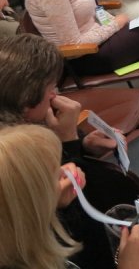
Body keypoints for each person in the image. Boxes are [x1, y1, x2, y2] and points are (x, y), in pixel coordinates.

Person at [0, 33, 121, 268]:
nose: (55, 95)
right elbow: (81, 222)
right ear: (26, 103)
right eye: (51, 88)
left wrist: (83, 145)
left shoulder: (24, 123)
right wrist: (68, 140)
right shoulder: (17, 156)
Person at [0, 123, 139, 269]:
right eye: (55, 174)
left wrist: (58, 204)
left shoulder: (24, 231)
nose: (67, 170)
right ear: (30, 205)